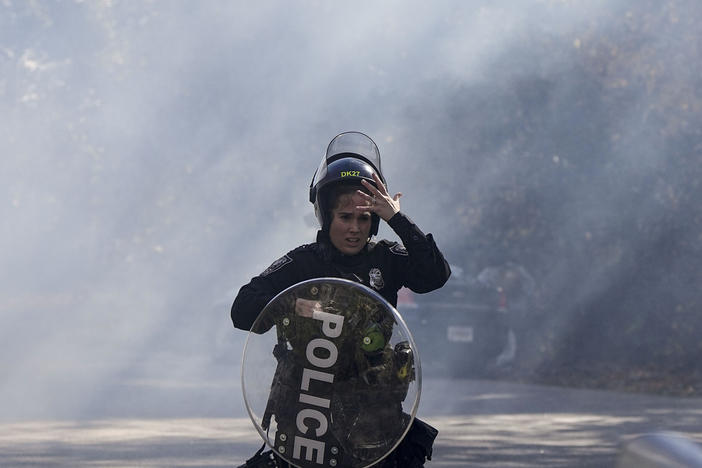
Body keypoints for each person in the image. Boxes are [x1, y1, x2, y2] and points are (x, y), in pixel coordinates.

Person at [231, 131, 451, 467]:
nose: (355, 228)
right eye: (345, 217)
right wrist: (292, 304)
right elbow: (242, 309)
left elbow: (436, 275)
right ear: (325, 216)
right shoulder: (303, 263)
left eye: (364, 218)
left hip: (373, 424)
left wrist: (397, 218)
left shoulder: (387, 259)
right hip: (308, 421)